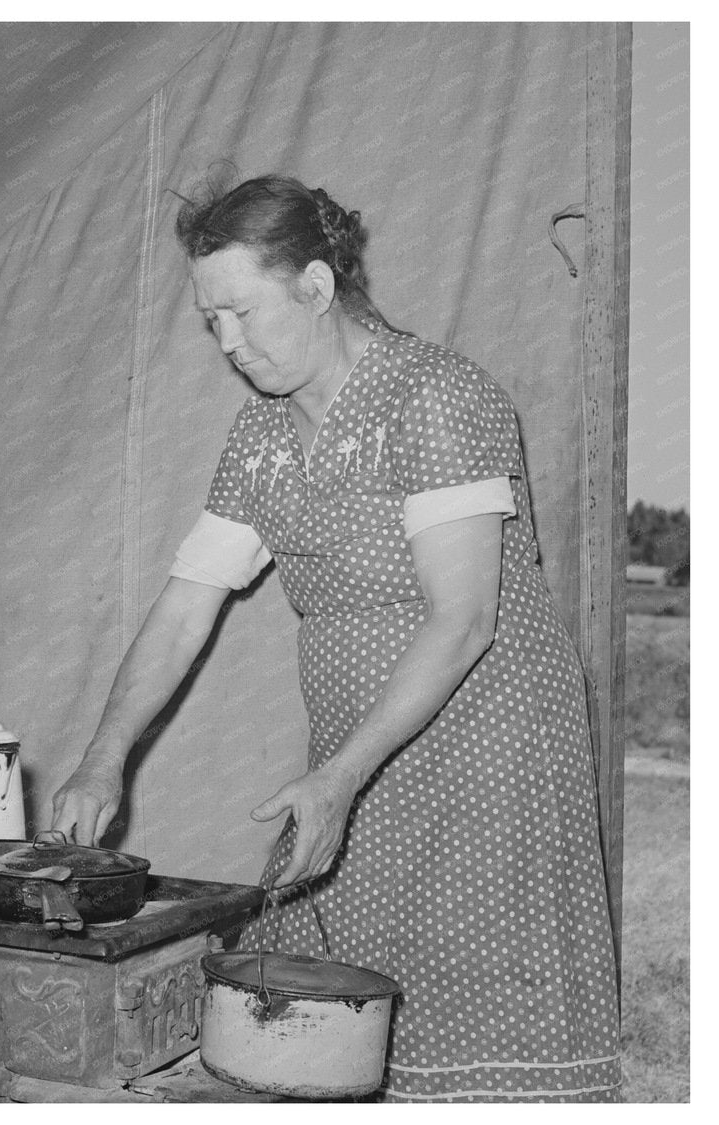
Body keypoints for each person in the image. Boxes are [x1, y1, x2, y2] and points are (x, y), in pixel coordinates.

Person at [50, 173, 621, 1102]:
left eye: (240, 312)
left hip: (486, 746)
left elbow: (465, 617)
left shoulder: (433, 396)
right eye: (211, 322)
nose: (227, 343)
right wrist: (103, 757)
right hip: (360, 748)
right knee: (338, 1022)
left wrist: (340, 775)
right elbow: (187, 604)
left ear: (316, 287)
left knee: (472, 1015)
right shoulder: (261, 434)